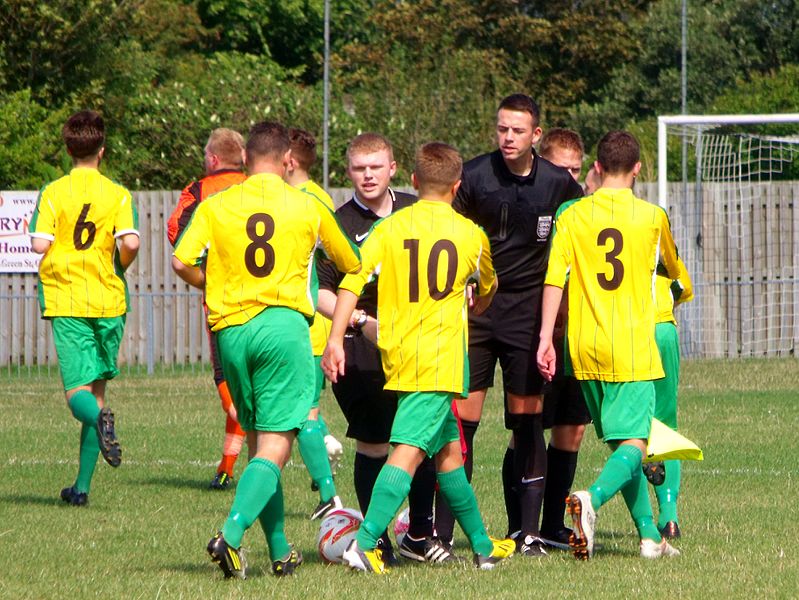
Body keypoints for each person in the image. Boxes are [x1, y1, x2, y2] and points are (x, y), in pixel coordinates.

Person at [172, 121, 361, 579]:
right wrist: (337, 332)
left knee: (260, 442)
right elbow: (353, 267)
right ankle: (230, 535)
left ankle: (280, 551)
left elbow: (181, 260)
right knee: (277, 445)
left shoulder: (216, 205)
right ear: (287, 161)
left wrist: (212, 281)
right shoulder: (305, 205)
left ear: (248, 157)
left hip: (231, 332)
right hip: (282, 328)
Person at [322, 141, 514, 573]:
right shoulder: (471, 234)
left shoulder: (388, 229)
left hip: (399, 351)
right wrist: (474, 304)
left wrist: (336, 339)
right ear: (458, 185)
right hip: (440, 358)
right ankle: (365, 542)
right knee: (407, 452)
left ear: (412, 180)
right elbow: (487, 289)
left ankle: (483, 546)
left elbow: (350, 284)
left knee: (449, 455)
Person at [445, 94, 584, 556]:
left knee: (528, 423)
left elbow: (578, 240)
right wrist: (463, 279)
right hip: (479, 312)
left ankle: (526, 533)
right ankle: (445, 533)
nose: (508, 138)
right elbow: (447, 233)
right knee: (463, 423)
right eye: (502, 129)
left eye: (518, 131)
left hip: (528, 316)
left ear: (536, 136)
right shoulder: (475, 176)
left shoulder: (558, 185)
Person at [537, 130, 682, 560]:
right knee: (639, 443)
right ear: (638, 168)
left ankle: (649, 537)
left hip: (583, 347)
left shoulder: (574, 215)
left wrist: (546, 337)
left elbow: (553, 279)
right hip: (631, 345)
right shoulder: (652, 217)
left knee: (622, 445)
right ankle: (591, 500)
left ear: (597, 168)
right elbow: (672, 269)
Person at [317, 133, 448, 564]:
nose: (368, 175)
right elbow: (318, 290)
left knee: (421, 439)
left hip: (420, 345)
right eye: (359, 168)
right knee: (374, 442)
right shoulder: (336, 223)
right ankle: (379, 544)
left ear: (392, 168)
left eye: (376, 166)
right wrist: (358, 322)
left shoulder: (419, 208)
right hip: (363, 346)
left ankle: (420, 536)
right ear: (349, 172)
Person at [29, 110, 140, 506]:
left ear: (68, 149)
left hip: (68, 298)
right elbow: (131, 243)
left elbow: (40, 245)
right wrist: (117, 266)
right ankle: (81, 488)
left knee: (79, 395)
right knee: (97, 392)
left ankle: (99, 421)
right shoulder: (118, 193)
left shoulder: (54, 191)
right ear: (102, 151)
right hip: (109, 300)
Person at [166, 128, 248, 491]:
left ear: (213, 159)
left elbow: (177, 233)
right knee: (251, 386)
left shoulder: (199, 192)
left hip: (221, 301)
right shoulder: (257, 186)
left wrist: (206, 268)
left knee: (227, 383)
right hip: (269, 300)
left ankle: (301, 438)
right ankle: (227, 467)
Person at [534, 128, 593, 549]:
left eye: (576, 170)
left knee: (570, 432)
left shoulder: (586, 214)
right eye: (560, 169)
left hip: (578, 339)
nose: (569, 179)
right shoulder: (536, 209)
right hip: (537, 337)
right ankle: (522, 524)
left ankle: (553, 524)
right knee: (529, 429)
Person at [284, 126, 345, 517]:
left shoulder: (301, 202)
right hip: (310, 325)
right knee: (303, 411)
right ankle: (323, 444)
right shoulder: (319, 198)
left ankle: (329, 496)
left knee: (298, 415)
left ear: (287, 161)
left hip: (304, 328)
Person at [646, 257, 694, 538]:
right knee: (666, 426)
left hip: (633, 333)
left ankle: (644, 523)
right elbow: (684, 288)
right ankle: (669, 517)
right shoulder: (659, 239)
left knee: (631, 430)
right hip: (664, 330)